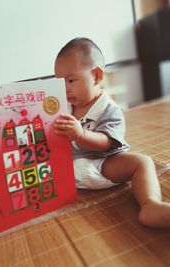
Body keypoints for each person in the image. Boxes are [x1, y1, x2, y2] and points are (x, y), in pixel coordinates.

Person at [54, 37, 170, 228]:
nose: (65, 89)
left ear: (97, 76)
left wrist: (80, 134)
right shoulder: (63, 107)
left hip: (105, 165)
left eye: (71, 80)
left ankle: (151, 205)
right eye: (60, 83)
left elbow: (107, 142)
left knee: (142, 162)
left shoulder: (109, 109)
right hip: (70, 169)